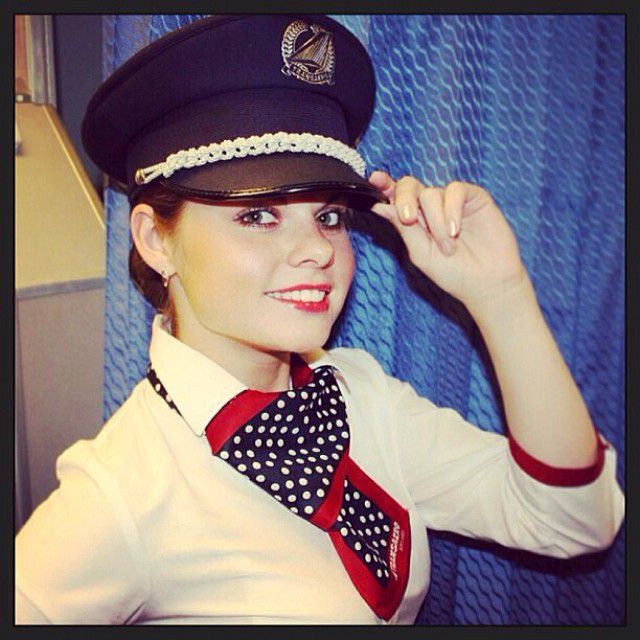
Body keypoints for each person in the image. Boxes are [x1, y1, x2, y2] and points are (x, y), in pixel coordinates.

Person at [15, 15, 625, 625]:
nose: (318, 250)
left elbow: (570, 520)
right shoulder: (120, 494)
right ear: (155, 240)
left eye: (329, 216)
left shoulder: (361, 394)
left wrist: (501, 293)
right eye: (258, 215)